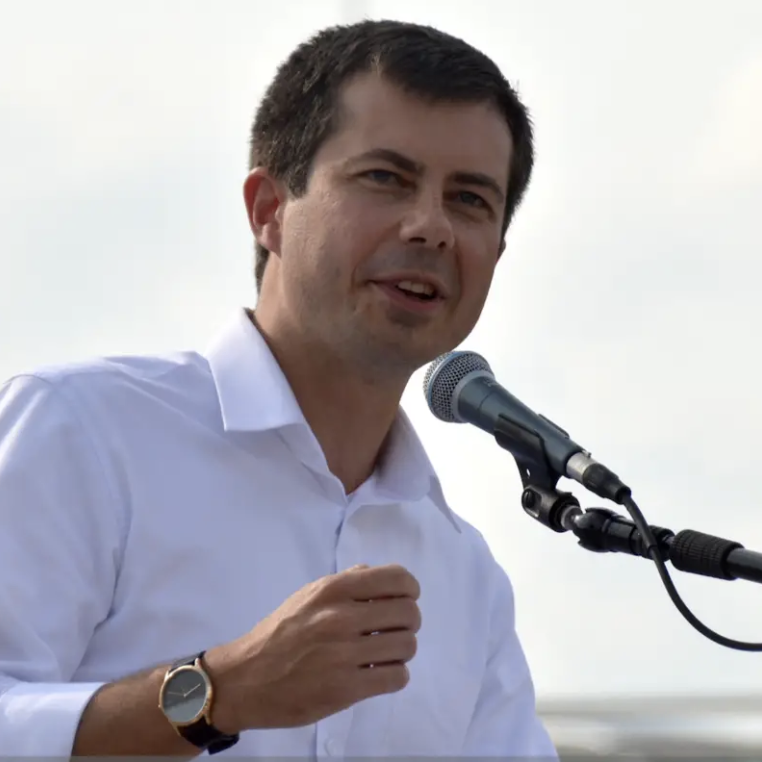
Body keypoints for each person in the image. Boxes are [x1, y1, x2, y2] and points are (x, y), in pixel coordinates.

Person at [0, 18, 558, 759]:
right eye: (385, 178)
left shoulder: (466, 576)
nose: (431, 227)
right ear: (269, 210)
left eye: (470, 200)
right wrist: (219, 693)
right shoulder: (83, 435)